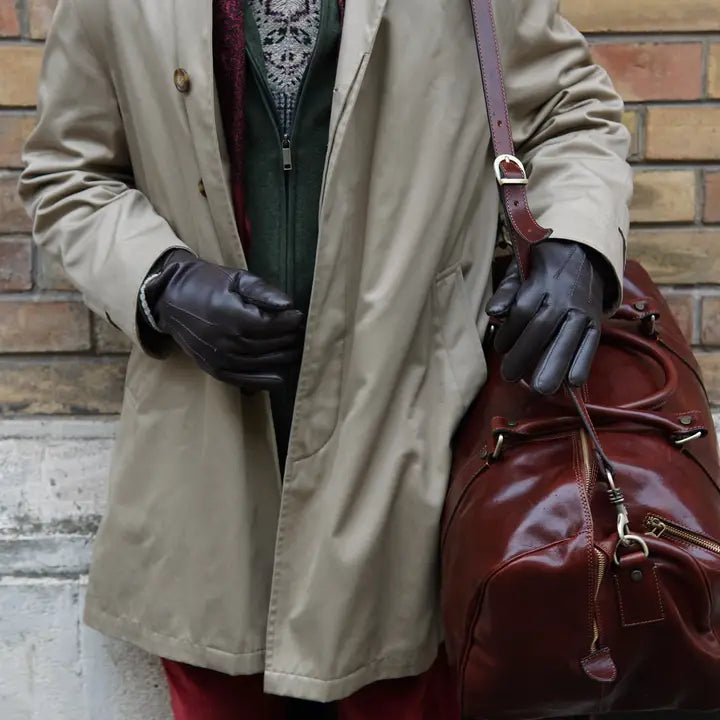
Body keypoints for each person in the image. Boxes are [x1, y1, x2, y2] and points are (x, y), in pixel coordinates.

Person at [18, 0, 632, 717]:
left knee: (405, 691)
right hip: (207, 463)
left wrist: (576, 245)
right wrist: (162, 281)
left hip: (411, 448)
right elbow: (69, 172)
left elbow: (568, 114)